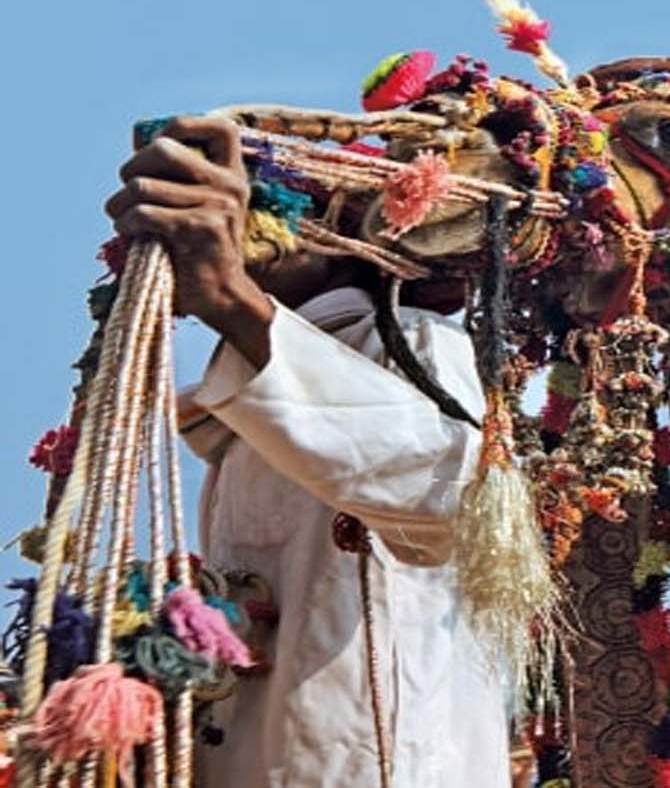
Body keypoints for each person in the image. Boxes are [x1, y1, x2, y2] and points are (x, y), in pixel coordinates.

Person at [106, 116, 507, 784]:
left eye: (272, 203)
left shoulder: (410, 340)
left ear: (347, 235)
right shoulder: (248, 393)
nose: (248, 222)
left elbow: (443, 491)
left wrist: (231, 297)